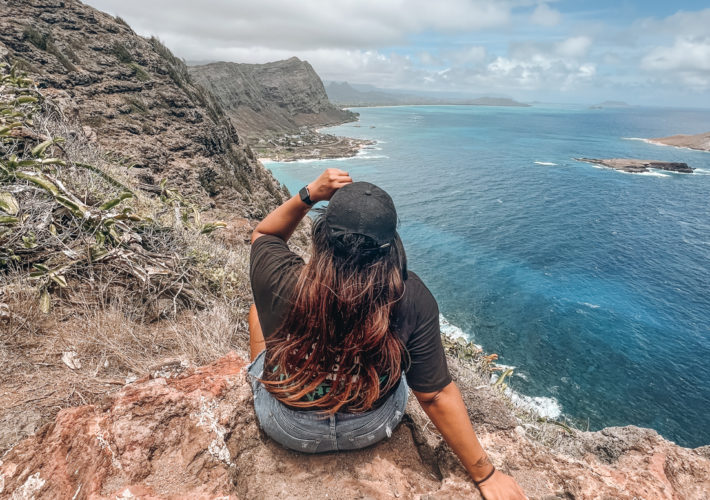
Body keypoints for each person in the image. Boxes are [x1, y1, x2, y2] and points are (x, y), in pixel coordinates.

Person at [248, 168, 527, 499]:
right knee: (404, 368)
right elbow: (434, 395)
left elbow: (265, 235)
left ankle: (267, 380)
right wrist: (486, 474)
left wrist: (310, 193)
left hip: (287, 426)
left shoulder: (280, 277)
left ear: (321, 236)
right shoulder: (411, 295)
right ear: (391, 247)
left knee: (257, 309)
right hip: (369, 427)